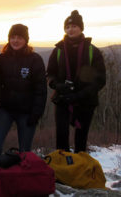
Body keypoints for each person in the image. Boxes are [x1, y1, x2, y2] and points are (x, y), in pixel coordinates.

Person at [47, 10, 106, 153]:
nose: (70, 29)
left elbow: (100, 80)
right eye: (67, 27)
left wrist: (78, 95)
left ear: (81, 28)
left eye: (74, 26)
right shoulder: (58, 50)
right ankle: (63, 168)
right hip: (62, 99)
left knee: (81, 138)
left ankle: (80, 168)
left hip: (85, 101)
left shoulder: (92, 51)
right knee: (61, 137)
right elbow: (50, 74)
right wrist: (59, 86)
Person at [0, 24, 47, 159]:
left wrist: (36, 113)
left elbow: (41, 89)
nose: (15, 40)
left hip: (26, 112)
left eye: (19, 37)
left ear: (26, 40)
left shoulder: (35, 60)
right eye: (12, 37)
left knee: (25, 151)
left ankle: (22, 176)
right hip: (6, 110)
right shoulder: (2, 58)